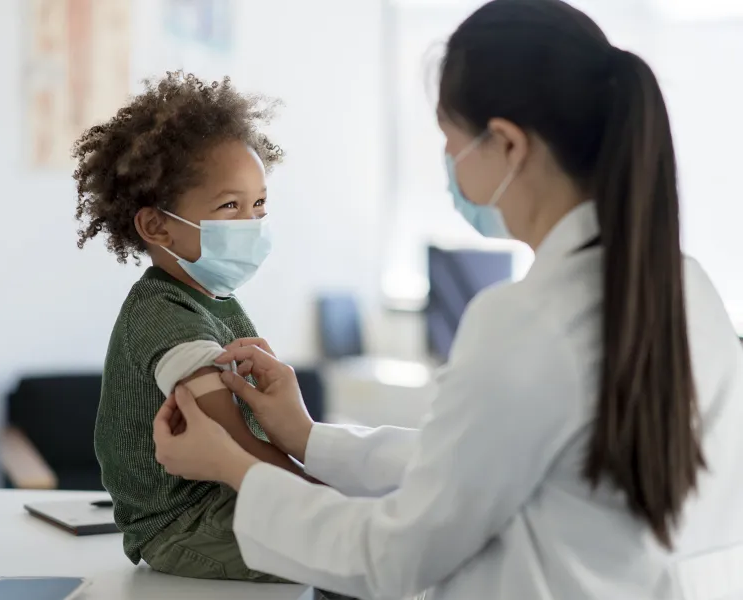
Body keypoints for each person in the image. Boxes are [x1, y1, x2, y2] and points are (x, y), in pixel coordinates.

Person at [151, 1, 743, 598]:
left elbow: (394, 555)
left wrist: (232, 467)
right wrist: (307, 437)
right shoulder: (688, 289)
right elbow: (478, 468)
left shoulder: (526, 322)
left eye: (450, 142)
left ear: (508, 145)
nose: (448, 166)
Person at [73, 71, 309, 582]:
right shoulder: (164, 313)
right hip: (184, 525)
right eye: (230, 207)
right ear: (157, 226)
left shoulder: (215, 299)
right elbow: (232, 439)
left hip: (231, 498)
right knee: (342, 554)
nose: (251, 223)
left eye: (259, 204)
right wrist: (323, 499)